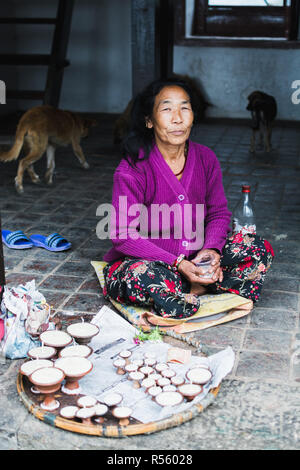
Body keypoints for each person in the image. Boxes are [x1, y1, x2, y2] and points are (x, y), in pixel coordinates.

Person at [102, 77, 274, 319]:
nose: (177, 118)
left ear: (193, 114)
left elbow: (218, 213)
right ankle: (199, 287)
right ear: (149, 120)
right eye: (166, 109)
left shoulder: (206, 158)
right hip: (155, 263)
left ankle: (190, 288)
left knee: (256, 248)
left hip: (197, 256)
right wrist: (178, 263)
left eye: (185, 107)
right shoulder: (133, 168)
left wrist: (211, 250)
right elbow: (122, 234)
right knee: (140, 277)